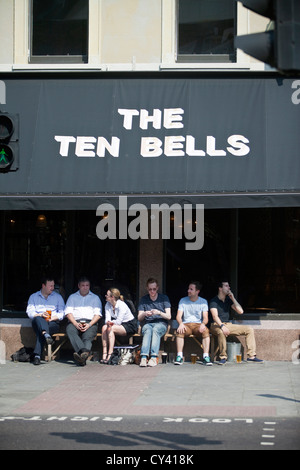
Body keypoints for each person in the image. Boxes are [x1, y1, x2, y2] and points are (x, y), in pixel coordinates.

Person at [209, 280, 263, 364]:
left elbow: (240, 311)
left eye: (229, 286)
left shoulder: (228, 300)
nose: (229, 287)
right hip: (216, 325)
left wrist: (233, 298)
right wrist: (222, 326)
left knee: (249, 329)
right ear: (220, 288)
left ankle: (251, 356)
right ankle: (223, 357)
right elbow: (215, 316)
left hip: (228, 324)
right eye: (226, 286)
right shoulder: (214, 301)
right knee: (221, 331)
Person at [26, 276, 65, 365]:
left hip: (53, 323)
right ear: (43, 286)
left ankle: (37, 355)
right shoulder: (34, 297)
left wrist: (53, 318)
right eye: (50, 286)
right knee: (39, 318)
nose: (53, 288)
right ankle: (46, 335)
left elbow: (62, 313)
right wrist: (41, 315)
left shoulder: (58, 297)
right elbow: (30, 312)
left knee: (41, 332)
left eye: (53, 285)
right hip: (37, 322)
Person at [65, 276, 102, 366]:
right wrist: (75, 323)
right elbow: (68, 313)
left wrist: (89, 325)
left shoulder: (95, 298)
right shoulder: (72, 297)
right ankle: (84, 353)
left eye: (87, 285)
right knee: (70, 330)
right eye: (83, 285)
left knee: (88, 337)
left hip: (90, 322)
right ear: (79, 286)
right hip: (75, 321)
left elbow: (98, 314)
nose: (85, 287)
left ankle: (81, 357)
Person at [174, 281, 212, 366]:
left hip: (197, 325)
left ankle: (206, 356)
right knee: (180, 331)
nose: (188, 291)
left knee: (206, 331)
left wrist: (203, 324)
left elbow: (206, 318)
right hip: (186, 325)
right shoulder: (183, 300)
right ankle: (179, 356)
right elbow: (178, 316)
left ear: (197, 291)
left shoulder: (203, 302)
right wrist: (180, 323)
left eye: (191, 289)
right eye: (188, 289)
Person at [138, 278, 171, 367]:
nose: (152, 291)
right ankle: (144, 357)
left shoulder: (164, 298)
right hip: (148, 323)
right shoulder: (143, 299)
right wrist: (145, 313)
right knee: (147, 329)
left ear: (157, 288)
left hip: (161, 323)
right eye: (150, 289)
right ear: (147, 289)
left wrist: (159, 312)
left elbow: (169, 316)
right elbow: (139, 318)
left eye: (154, 289)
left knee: (156, 329)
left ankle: (153, 357)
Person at [101, 287, 137, 364]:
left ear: (112, 297)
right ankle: (104, 353)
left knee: (111, 329)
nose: (105, 296)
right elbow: (106, 319)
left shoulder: (122, 305)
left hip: (129, 324)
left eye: (107, 295)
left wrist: (110, 323)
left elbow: (119, 321)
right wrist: (108, 323)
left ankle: (110, 354)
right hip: (117, 324)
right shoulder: (107, 304)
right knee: (104, 327)